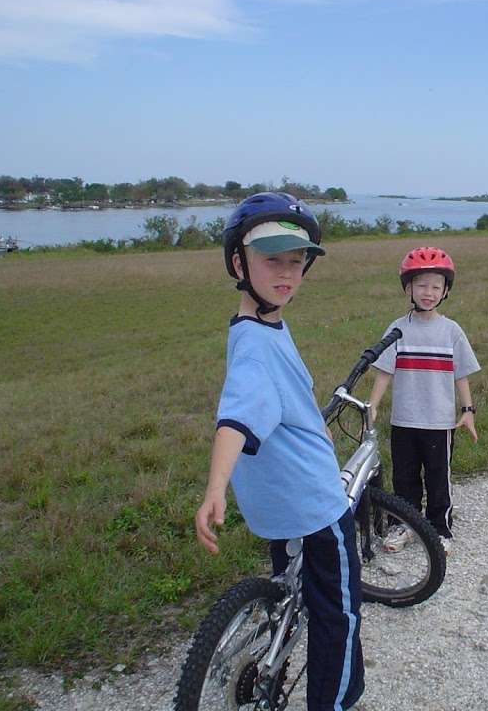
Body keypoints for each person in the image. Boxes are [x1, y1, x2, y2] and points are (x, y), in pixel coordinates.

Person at [194, 192, 363, 711]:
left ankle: (275, 649)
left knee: (289, 585)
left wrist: (314, 424)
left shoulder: (257, 325)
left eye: (296, 261)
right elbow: (236, 418)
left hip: (277, 505)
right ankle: (334, 702)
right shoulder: (254, 349)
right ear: (238, 263)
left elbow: (277, 398)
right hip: (314, 505)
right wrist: (214, 487)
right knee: (340, 613)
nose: (287, 273)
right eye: (272, 260)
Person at [367, 246, 480, 554]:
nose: (428, 292)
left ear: (445, 291)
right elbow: (384, 372)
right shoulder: (397, 329)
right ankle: (403, 525)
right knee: (404, 477)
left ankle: (440, 528)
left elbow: (461, 374)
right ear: (408, 288)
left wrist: (467, 410)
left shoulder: (451, 331)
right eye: (421, 285)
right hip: (404, 419)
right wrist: (373, 404)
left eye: (435, 286)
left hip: (439, 421)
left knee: (438, 478)